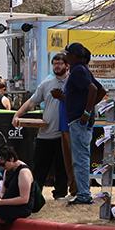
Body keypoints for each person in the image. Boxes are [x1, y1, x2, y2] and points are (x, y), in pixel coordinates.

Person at [12, 53, 70, 201]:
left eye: (60, 63)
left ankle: (60, 194)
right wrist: (17, 114)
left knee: (62, 167)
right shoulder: (47, 83)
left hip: (64, 134)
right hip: (45, 133)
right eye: (55, 64)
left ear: (67, 65)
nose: (57, 66)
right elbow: (32, 102)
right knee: (39, 167)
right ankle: (34, 196)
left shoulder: (72, 82)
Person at [55, 43, 105, 206]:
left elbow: (93, 90)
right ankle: (83, 193)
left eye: (68, 54)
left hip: (79, 121)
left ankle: (83, 194)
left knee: (80, 158)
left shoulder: (77, 70)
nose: (66, 57)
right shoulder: (83, 70)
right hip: (80, 120)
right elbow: (100, 91)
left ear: (74, 56)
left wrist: (86, 112)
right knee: (81, 157)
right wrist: (85, 107)